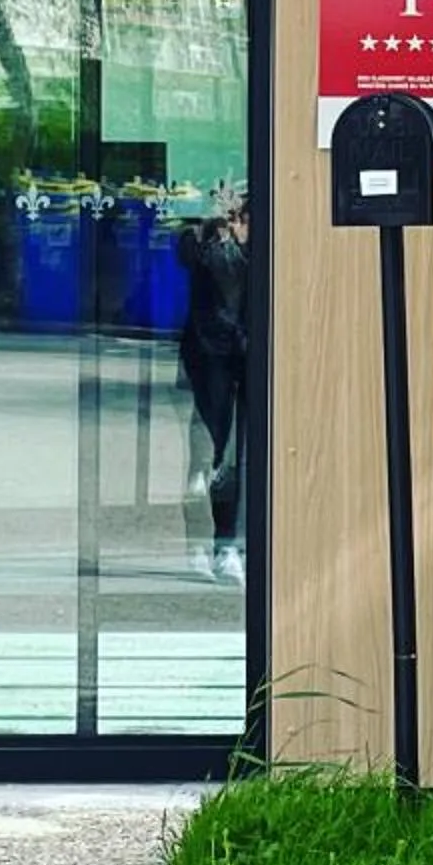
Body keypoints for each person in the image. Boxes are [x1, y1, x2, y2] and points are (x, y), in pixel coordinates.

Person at [175, 183, 249, 585]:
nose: (241, 225)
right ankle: (204, 546)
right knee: (208, 459)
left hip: (247, 357)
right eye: (236, 217)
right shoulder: (209, 246)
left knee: (239, 459)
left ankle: (228, 544)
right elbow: (186, 251)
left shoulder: (259, 251)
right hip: (209, 361)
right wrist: (214, 224)